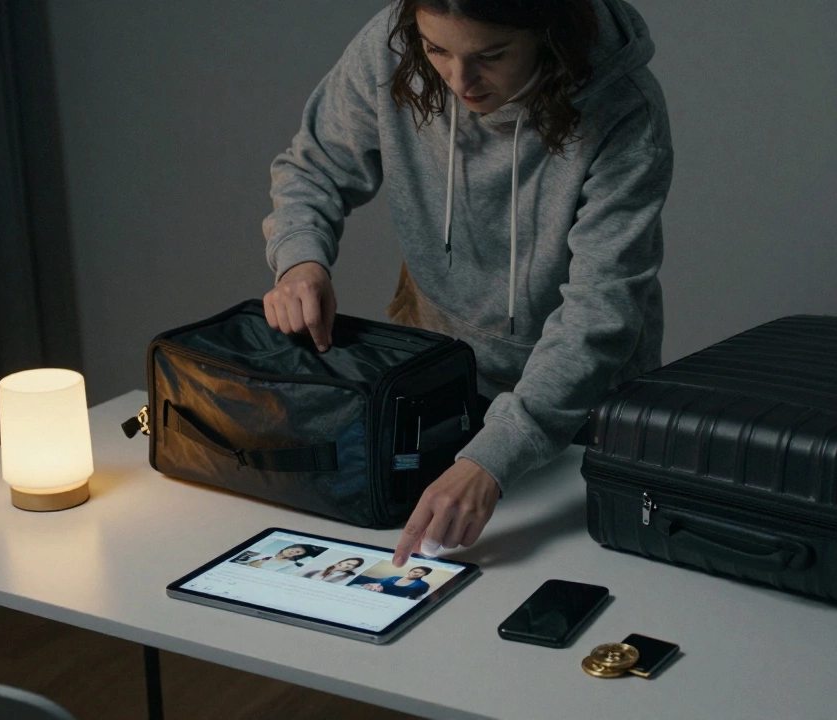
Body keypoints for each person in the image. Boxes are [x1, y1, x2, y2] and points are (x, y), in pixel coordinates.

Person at [262, 0, 671, 566]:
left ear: (548, 34)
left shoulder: (624, 110)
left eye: (492, 55)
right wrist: (300, 258)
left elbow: (599, 313)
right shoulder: (391, 45)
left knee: (557, 576)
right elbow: (314, 166)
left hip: (577, 398)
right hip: (437, 369)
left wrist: (491, 460)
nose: (459, 79)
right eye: (437, 51)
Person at [353, 566, 434, 600]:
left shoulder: (423, 585)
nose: (416, 573)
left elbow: (413, 596)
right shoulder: (395, 577)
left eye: (420, 573)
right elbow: (377, 581)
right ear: (410, 571)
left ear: (424, 575)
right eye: (415, 571)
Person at [246, 544, 321, 572]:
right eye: (295, 549)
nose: (293, 552)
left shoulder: (288, 564)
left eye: (297, 553)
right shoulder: (267, 550)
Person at [298, 557, 366, 583]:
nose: (349, 566)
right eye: (348, 563)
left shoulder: (347, 577)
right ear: (341, 562)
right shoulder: (319, 569)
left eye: (353, 566)